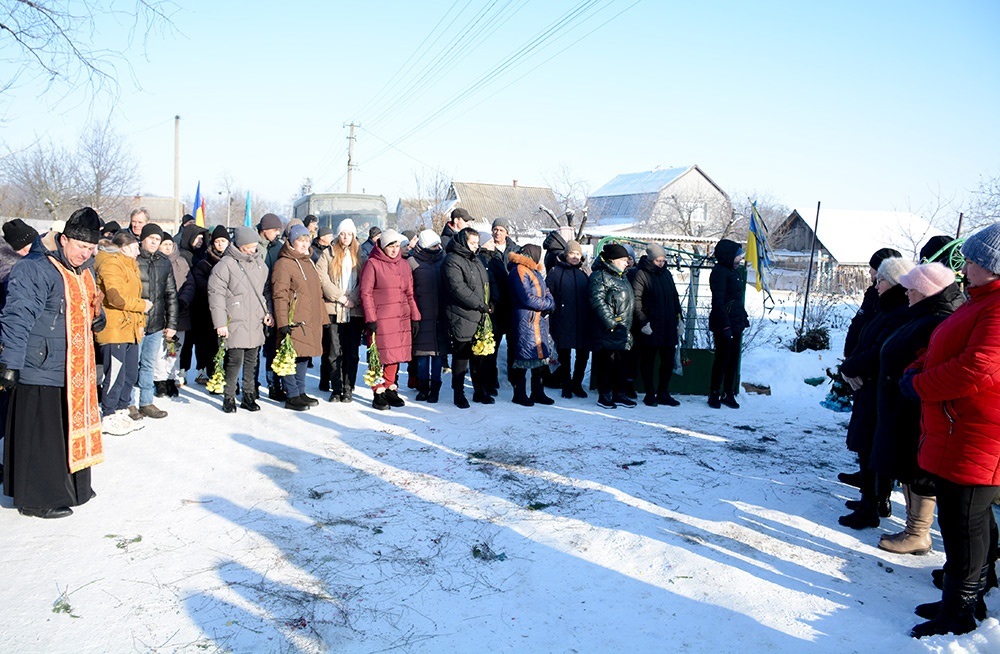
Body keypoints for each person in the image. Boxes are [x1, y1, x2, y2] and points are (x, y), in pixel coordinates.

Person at [907, 222, 1000, 638]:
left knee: (965, 526)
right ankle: (967, 597)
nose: (968, 264)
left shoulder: (997, 308)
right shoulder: (979, 300)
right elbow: (946, 344)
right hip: (958, 430)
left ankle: (959, 611)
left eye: (977, 259)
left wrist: (922, 386)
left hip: (978, 435)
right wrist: (916, 367)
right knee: (968, 523)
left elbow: (976, 368)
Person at [0, 207, 105, 519]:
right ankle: (36, 499)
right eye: (80, 246)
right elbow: (17, 317)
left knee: (63, 431)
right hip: (39, 365)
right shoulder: (35, 268)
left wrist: (98, 318)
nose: (84, 253)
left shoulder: (83, 271)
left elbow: (87, 306)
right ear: (63, 239)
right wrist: (10, 363)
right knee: (41, 436)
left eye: (90, 249)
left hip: (73, 367)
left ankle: (71, 487)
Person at [870, 262, 962, 554]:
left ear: (925, 291)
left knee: (918, 470)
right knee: (909, 468)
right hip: (904, 404)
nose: (906, 291)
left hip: (916, 409)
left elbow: (929, 362)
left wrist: (910, 383)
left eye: (912, 287)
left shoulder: (936, 320)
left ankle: (918, 532)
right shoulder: (922, 314)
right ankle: (914, 528)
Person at [838, 256, 914, 529]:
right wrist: (849, 367)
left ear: (894, 283)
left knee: (872, 446)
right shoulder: (887, 308)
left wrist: (852, 367)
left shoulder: (900, 311)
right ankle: (869, 499)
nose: (876, 283)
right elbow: (865, 340)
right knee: (867, 446)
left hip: (878, 389)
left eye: (881, 279)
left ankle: (872, 505)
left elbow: (881, 350)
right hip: (868, 386)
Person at [838, 247, 903, 487]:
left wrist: (855, 365)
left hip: (872, 374)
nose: (871, 273)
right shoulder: (875, 293)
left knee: (873, 434)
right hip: (861, 365)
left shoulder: (892, 303)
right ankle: (867, 480)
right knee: (865, 434)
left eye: (874, 269)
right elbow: (863, 326)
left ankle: (875, 493)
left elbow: (880, 343)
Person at [208, 227, 272, 413]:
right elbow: (216, 294)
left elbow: (264, 291)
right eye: (249, 247)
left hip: (255, 318)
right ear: (240, 245)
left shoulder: (260, 264)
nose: (253, 250)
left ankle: (249, 395)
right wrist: (220, 323)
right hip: (234, 319)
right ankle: (229, 396)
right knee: (234, 360)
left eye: (254, 246)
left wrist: (268, 313)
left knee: (253, 360)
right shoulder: (225, 264)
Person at [94, 231, 148, 436]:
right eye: (135, 247)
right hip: (114, 329)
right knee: (115, 374)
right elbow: (117, 298)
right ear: (124, 247)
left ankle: (121, 409)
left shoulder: (130, 265)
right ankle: (108, 413)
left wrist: (140, 322)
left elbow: (133, 294)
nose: (138, 251)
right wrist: (143, 306)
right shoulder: (111, 264)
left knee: (130, 373)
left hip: (130, 328)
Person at [360, 229, 420, 410]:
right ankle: (377, 390)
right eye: (390, 246)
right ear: (382, 246)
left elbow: (410, 292)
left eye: (396, 246)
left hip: (400, 316)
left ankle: (390, 386)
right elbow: (366, 292)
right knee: (378, 356)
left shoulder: (403, 264)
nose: (394, 250)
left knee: (395, 354)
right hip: (381, 318)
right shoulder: (373, 264)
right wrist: (370, 318)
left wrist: (415, 316)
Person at [271, 224, 327, 411]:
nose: (304, 244)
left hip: (309, 319)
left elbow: (316, 293)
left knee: (303, 356)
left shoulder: (308, 262)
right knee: (290, 356)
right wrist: (282, 322)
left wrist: (323, 318)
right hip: (293, 319)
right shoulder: (283, 264)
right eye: (300, 240)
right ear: (291, 241)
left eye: (306, 240)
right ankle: (292, 394)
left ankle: (300, 391)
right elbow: (280, 294)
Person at [443, 227, 494, 409]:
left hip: (479, 315)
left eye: (476, 243)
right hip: (461, 315)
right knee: (462, 356)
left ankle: (479, 390)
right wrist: (480, 304)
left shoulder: (476, 260)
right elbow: (458, 289)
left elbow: (486, 282)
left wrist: (490, 301)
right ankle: (458, 393)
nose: (475, 247)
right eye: (472, 243)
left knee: (478, 356)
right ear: (463, 241)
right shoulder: (452, 260)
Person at [316, 219, 365, 403]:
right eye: (343, 234)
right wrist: (340, 297)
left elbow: (365, 279)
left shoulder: (360, 254)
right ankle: (336, 388)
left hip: (354, 311)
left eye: (349, 234)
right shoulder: (327, 254)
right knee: (333, 351)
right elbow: (322, 278)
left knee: (351, 352)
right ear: (338, 235)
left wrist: (353, 297)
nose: (346, 237)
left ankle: (348, 387)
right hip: (334, 309)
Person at [134, 223, 178, 419]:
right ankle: (127, 403)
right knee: (131, 365)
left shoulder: (164, 262)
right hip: (136, 322)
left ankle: (146, 402)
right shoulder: (132, 259)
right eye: (151, 238)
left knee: (148, 364)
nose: (154, 242)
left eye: (157, 240)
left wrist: (172, 324)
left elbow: (171, 294)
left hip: (156, 324)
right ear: (143, 239)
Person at [631, 243, 683, 407]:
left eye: (663, 260)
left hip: (668, 325)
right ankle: (649, 393)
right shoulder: (641, 274)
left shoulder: (666, 274)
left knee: (667, 361)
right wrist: (643, 322)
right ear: (651, 259)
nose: (661, 263)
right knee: (649, 361)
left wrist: (679, 318)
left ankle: (663, 392)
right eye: (658, 260)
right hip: (651, 326)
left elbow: (674, 297)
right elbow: (636, 301)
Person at [507, 244, 556, 406]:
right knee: (523, 357)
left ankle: (538, 392)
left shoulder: (534, 271)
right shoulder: (519, 270)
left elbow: (547, 292)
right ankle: (519, 394)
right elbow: (526, 297)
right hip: (525, 321)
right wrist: (546, 304)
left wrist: (548, 303)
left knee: (539, 357)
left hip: (537, 320)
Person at [588, 242, 635, 409]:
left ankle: (619, 393)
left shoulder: (622, 276)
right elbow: (597, 301)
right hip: (609, 329)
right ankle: (605, 395)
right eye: (623, 259)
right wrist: (611, 323)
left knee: (621, 364)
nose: (626, 263)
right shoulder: (600, 276)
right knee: (606, 363)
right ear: (612, 260)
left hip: (623, 328)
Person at [707, 239, 749, 409]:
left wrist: (742, 318)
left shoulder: (733, 271)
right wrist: (725, 326)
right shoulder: (720, 272)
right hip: (724, 323)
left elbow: (736, 299)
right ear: (728, 256)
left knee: (733, 359)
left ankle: (728, 393)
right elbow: (718, 302)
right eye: (738, 256)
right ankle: (714, 393)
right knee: (722, 359)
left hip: (736, 322)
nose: (740, 259)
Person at [407, 229, 449, 403]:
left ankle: (436, 389)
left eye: (438, 244)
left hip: (440, 315)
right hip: (421, 315)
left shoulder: (443, 259)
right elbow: (409, 290)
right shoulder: (412, 262)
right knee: (422, 355)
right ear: (424, 246)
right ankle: (423, 388)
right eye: (434, 245)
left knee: (438, 354)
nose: (438, 247)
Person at [547, 239, 590, 399]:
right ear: (565, 255)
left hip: (583, 320)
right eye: (572, 253)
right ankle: (566, 384)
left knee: (583, 354)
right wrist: (553, 311)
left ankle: (576, 384)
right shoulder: (555, 271)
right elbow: (548, 293)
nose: (575, 256)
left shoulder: (585, 272)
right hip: (563, 319)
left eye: (577, 253)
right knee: (564, 355)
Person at [189, 225, 229, 386]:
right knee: (209, 345)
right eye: (217, 241)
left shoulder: (232, 262)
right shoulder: (203, 264)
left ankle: (226, 376)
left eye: (223, 241)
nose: (220, 244)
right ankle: (212, 374)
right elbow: (203, 286)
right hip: (206, 310)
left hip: (230, 310)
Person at [153, 237, 191, 397]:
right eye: (164, 245)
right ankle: (159, 380)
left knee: (174, 349)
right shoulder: (154, 261)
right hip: (160, 313)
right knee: (159, 350)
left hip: (179, 314)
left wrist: (183, 300)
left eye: (170, 244)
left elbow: (190, 284)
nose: (168, 248)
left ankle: (171, 378)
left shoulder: (181, 262)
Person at [257, 213, 286, 400]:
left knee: (272, 347)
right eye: (274, 230)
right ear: (264, 230)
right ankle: (250, 383)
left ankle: (274, 383)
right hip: (255, 301)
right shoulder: (253, 247)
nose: (277, 233)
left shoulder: (279, 248)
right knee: (252, 347)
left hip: (273, 301)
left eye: (278, 230)